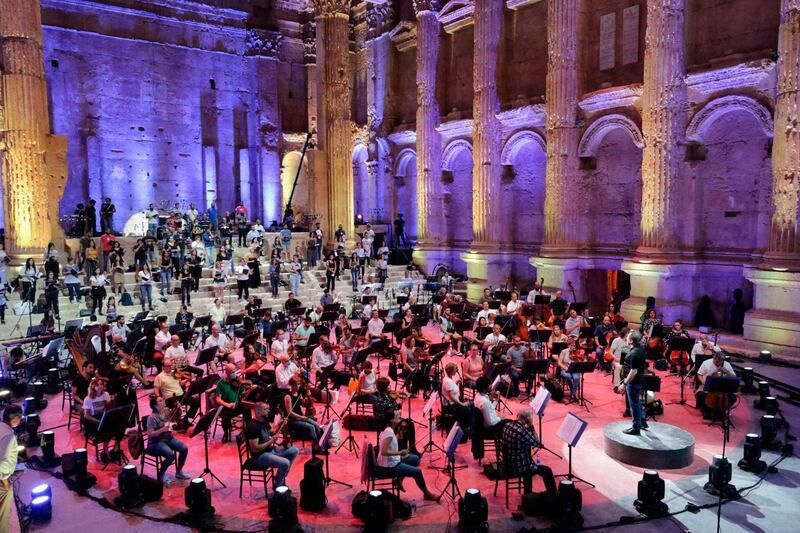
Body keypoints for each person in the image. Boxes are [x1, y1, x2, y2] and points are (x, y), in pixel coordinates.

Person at [375, 411, 439, 502]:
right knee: (417, 472)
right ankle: (427, 494)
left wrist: (399, 437)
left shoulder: (390, 429)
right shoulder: (389, 432)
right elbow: (384, 452)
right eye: (397, 417)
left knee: (415, 459)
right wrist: (400, 453)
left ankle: (400, 480)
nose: (399, 418)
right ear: (392, 420)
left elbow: (390, 444)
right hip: (388, 466)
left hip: (392, 460)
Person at [499, 408, 557, 495]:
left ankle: (528, 494)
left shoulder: (507, 425)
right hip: (519, 466)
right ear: (527, 419)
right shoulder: (522, 432)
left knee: (528, 468)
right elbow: (537, 443)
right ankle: (553, 495)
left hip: (507, 463)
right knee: (547, 471)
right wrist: (531, 426)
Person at [245, 402, 299, 487]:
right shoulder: (253, 427)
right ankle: (278, 485)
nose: (268, 410)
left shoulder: (264, 421)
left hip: (270, 450)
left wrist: (280, 424)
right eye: (266, 409)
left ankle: (280, 477)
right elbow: (255, 449)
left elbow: (272, 432)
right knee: (285, 463)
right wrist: (271, 441)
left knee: (294, 450)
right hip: (260, 456)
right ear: (258, 412)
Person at [146, 396, 190, 486]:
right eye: (160, 401)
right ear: (155, 406)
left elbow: (177, 418)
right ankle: (161, 474)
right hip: (156, 442)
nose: (163, 401)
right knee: (170, 455)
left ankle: (179, 471)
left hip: (167, 438)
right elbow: (150, 434)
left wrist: (178, 409)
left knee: (184, 448)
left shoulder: (166, 410)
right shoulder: (152, 418)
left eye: (163, 399)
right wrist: (163, 429)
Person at [83, 377, 124, 462]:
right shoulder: (88, 399)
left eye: (101, 384)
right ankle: (105, 452)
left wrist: (113, 402)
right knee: (108, 429)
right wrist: (99, 422)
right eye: (97, 385)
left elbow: (110, 409)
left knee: (121, 426)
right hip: (93, 421)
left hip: (104, 417)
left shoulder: (106, 394)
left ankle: (115, 450)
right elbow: (87, 416)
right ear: (93, 386)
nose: (100, 386)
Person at [615, 331, 648, 435]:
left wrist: (624, 383)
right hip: (638, 380)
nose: (627, 337)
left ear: (632, 340)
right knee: (637, 401)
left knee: (633, 404)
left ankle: (636, 427)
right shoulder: (640, 349)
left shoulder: (634, 353)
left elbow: (633, 371)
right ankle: (642, 421)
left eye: (628, 336)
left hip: (633, 382)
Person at [153, 360, 200, 430]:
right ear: (163, 367)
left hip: (181, 395)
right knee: (176, 407)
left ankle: (185, 419)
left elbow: (180, 383)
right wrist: (158, 397)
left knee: (196, 402)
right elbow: (156, 389)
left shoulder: (174, 373)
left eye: (171, 365)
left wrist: (189, 379)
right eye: (168, 366)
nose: (171, 367)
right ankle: (178, 423)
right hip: (170, 398)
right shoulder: (159, 377)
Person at [216, 363, 252, 443]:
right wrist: (228, 405)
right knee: (225, 417)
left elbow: (242, 395)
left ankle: (249, 431)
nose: (235, 373)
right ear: (227, 372)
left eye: (235, 371)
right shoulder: (221, 383)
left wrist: (249, 391)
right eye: (232, 372)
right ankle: (226, 434)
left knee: (247, 409)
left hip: (238, 405)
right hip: (227, 407)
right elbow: (218, 399)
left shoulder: (237, 380)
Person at [0, 405, 23, 532]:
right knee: (2, 517)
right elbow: (2, 465)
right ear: (15, 419)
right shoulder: (9, 436)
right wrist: (5, 481)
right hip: (1, 482)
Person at [284, 377, 323, 445]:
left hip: (300, 417)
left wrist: (307, 396)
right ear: (291, 385)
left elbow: (304, 404)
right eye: (295, 385)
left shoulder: (298, 393)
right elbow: (289, 412)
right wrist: (302, 417)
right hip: (292, 420)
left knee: (316, 424)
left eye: (298, 384)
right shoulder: (288, 396)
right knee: (311, 427)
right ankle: (316, 445)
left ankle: (321, 442)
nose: (297, 386)